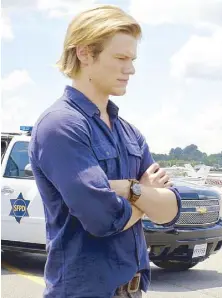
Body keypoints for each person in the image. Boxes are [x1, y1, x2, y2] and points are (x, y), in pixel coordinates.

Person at [28, 5, 182, 298]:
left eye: (132, 59)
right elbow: (103, 218)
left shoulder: (128, 131)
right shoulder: (61, 126)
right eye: (121, 58)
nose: (131, 69)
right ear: (85, 53)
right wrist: (145, 196)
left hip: (132, 292)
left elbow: (170, 211)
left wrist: (129, 189)